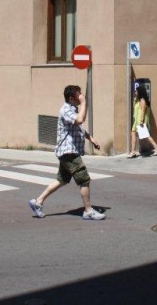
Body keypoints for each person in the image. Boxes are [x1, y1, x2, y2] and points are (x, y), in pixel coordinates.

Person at [27, 85, 105, 220]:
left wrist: (91, 138)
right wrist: (84, 102)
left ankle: (38, 202)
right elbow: (80, 120)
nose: (80, 97)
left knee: (61, 180)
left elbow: (78, 127)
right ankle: (88, 211)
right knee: (84, 180)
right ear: (71, 98)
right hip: (69, 152)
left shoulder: (73, 109)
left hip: (68, 151)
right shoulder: (65, 110)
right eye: (78, 95)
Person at [128, 85, 157, 158]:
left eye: (136, 91)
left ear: (140, 92)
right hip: (136, 121)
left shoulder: (143, 100)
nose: (135, 93)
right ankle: (133, 151)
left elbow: (143, 110)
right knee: (133, 133)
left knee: (146, 136)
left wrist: (141, 121)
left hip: (140, 121)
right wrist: (135, 99)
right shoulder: (138, 100)